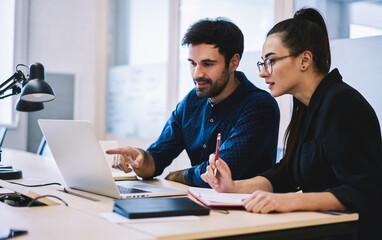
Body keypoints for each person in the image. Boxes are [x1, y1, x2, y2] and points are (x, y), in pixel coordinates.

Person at [201, 8, 382, 239]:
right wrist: (233, 187)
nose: (263, 73)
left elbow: (364, 190)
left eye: (271, 61)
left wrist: (291, 200)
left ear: (305, 60)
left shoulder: (342, 103)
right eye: (262, 63)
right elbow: (287, 173)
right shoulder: (306, 107)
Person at [106, 18, 280, 187]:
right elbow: (156, 159)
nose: (197, 73)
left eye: (207, 64)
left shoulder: (259, 106)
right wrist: (140, 159)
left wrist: (177, 176)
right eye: (192, 63)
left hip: (247, 210)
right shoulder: (192, 101)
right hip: (201, 206)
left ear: (233, 62)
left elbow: (219, 173)